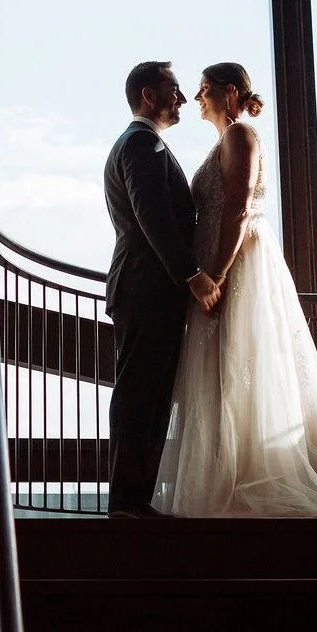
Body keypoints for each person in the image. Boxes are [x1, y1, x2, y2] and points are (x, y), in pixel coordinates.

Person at [154, 61, 317, 518]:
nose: (196, 98)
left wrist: (215, 277)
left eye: (203, 89)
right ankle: (230, 474)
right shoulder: (224, 141)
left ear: (231, 92)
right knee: (222, 369)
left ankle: (252, 478)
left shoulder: (240, 136)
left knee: (240, 360)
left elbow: (238, 209)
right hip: (221, 263)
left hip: (235, 265)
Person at [103, 62, 221, 519]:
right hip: (145, 286)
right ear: (149, 96)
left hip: (149, 288)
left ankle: (136, 499)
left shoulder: (144, 144)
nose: (184, 98)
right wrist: (192, 275)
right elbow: (152, 216)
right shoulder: (141, 144)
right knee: (138, 393)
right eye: (174, 89)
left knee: (150, 394)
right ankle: (127, 502)